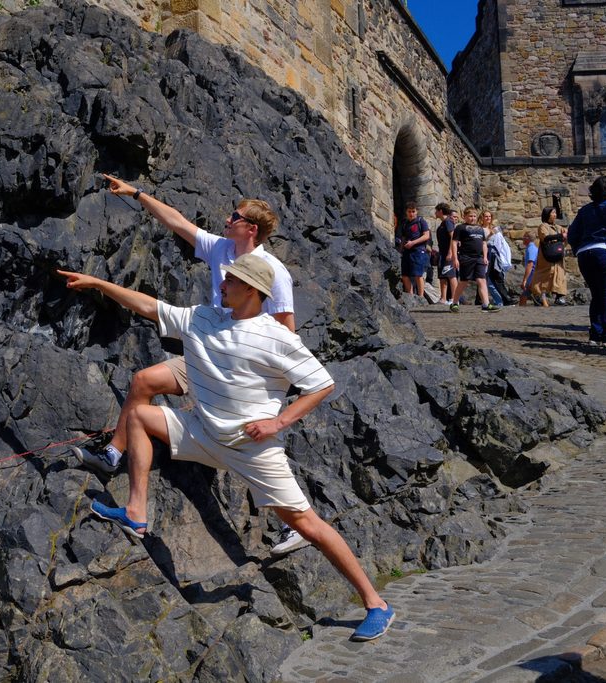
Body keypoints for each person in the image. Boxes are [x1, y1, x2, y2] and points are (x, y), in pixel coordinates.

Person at [57, 254, 396, 641]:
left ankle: (376, 604)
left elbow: (322, 384)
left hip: (253, 450)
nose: (221, 285)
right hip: (202, 432)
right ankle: (136, 511)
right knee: (138, 414)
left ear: (252, 290)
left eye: (230, 281)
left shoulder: (278, 337)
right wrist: (99, 283)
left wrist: (279, 421)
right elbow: (149, 306)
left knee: (307, 525)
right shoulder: (204, 317)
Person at [74, 174, 308, 558]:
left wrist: (264, 388)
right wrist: (137, 193)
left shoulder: (273, 271)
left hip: (244, 370)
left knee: (253, 447)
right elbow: (177, 222)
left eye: (234, 216)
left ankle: (291, 524)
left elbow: (287, 331)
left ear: (250, 228)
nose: (227, 219)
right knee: (143, 381)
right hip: (204, 348)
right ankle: (113, 455)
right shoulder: (220, 249)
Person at [567, 176, 606, 348]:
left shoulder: (585, 210)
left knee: (597, 296)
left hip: (585, 254)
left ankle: (596, 334)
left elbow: (572, 235)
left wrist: (579, 247)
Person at [449, 206, 499, 312]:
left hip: (479, 258)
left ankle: (486, 304)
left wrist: (485, 257)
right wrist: (455, 258)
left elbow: (484, 242)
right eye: (470, 216)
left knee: (481, 280)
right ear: (465, 217)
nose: (473, 218)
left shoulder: (480, 229)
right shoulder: (460, 228)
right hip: (466, 257)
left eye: (474, 216)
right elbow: (454, 243)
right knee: (464, 281)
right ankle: (454, 303)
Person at [532, 206, 569, 306]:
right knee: (545, 274)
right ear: (547, 214)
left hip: (557, 255)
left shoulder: (558, 227)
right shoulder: (543, 226)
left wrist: (566, 234)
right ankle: (538, 294)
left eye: (555, 213)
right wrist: (561, 236)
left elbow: (566, 234)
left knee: (560, 274)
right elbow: (546, 237)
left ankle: (559, 296)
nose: (555, 215)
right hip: (546, 255)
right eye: (553, 213)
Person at [395, 201, 431, 296]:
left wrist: (413, 243)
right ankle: (410, 296)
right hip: (407, 252)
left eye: (413, 211)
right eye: (409, 211)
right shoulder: (405, 223)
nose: (411, 214)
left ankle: (421, 297)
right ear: (406, 212)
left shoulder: (421, 221)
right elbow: (403, 238)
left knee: (418, 275)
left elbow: (426, 236)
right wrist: (400, 250)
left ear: (417, 212)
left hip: (418, 251)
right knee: (404, 275)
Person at [480, 209, 513, 306]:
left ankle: (506, 299)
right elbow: (482, 241)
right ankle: (482, 300)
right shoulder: (480, 229)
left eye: (489, 216)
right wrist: (490, 234)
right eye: (486, 216)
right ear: (482, 217)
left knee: (498, 277)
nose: (488, 218)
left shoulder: (493, 228)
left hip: (495, 254)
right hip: (486, 253)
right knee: (484, 277)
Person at [434, 203, 458, 305]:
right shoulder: (443, 223)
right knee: (443, 276)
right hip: (442, 253)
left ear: (440, 211)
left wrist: (450, 252)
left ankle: (454, 299)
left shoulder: (448, 221)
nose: (435, 213)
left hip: (448, 254)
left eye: (436, 211)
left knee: (451, 276)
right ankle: (443, 298)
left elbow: (453, 237)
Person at [518, 232, 540, 306]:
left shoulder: (531, 249)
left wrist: (525, 280)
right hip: (534, 275)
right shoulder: (532, 248)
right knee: (529, 295)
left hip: (532, 276)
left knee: (524, 295)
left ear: (527, 239)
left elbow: (530, 264)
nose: (522, 239)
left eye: (524, 237)